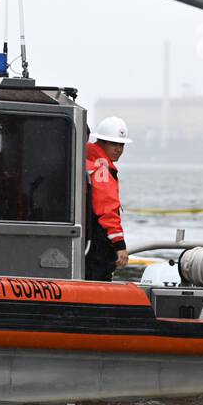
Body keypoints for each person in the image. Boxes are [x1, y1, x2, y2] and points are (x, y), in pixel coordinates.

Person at [84, 116, 132, 281]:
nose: (118, 149)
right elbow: (107, 208)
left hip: (87, 235)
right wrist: (120, 245)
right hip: (98, 241)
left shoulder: (84, 159)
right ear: (101, 142)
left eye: (121, 145)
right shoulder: (101, 168)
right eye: (114, 144)